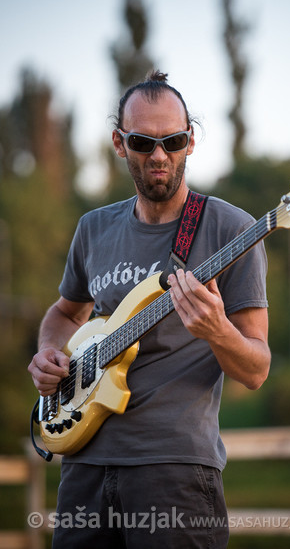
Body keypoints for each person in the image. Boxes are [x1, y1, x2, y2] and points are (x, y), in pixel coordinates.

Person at [28, 70, 271, 549]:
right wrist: (48, 352)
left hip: (174, 471)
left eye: (173, 140)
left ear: (191, 142)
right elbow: (63, 311)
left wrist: (218, 331)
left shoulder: (232, 230)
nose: (159, 155)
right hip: (83, 465)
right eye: (142, 142)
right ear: (120, 143)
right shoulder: (93, 228)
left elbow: (257, 369)